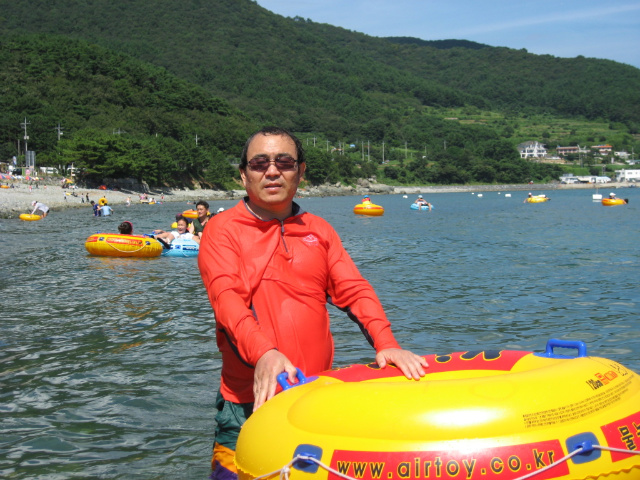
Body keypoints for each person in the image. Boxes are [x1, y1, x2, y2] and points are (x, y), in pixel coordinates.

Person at [198, 126, 428, 480]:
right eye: (259, 163)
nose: (272, 171)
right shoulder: (222, 230)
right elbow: (227, 300)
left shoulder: (318, 230)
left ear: (300, 171)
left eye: (284, 162)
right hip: (247, 402)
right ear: (243, 174)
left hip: (312, 398)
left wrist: (387, 344)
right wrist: (264, 353)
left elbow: (354, 291)